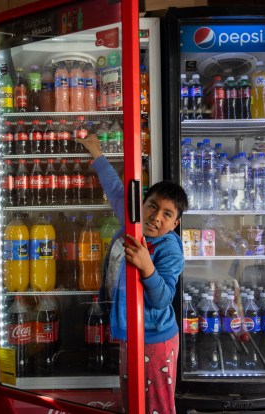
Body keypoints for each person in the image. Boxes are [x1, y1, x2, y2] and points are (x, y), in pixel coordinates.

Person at [78, 134, 188, 414]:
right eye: (152, 206)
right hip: (130, 335)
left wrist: (146, 265)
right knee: (132, 403)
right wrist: (97, 153)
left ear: (175, 224)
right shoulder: (133, 223)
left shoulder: (170, 247)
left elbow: (163, 298)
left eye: (166, 214)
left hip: (156, 339)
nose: (155, 217)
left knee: (157, 407)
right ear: (142, 203)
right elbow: (116, 190)